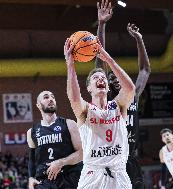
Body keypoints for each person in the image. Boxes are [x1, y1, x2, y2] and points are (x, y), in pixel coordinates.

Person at [64, 30, 135, 188]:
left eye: (103, 78)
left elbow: (130, 88)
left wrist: (108, 59)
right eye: (95, 78)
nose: (100, 79)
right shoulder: (85, 111)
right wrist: (70, 64)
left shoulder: (118, 106)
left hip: (119, 173)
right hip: (93, 174)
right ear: (89, 88)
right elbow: (74, 98)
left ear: (108, 87)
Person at [95, 1, 151, 188]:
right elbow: (100, 60)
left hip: (131, 160)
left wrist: (139, 39)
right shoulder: (107, 99)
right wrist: (102, 24)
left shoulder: (132, 95)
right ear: (107, 84)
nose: (116, 78)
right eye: (111, 77)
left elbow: (144, 70)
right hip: (111, 160)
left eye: (119, 76)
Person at [27, 90, 83, 189]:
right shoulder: (32, 131)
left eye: (52, 97)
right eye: (46, 97)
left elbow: (81, 153)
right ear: (38, 105)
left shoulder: (69, 124)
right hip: (45, 182)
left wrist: (61, 162)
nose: (51, 99)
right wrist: (31, 177)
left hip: (69, 179)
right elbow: (32, 159)